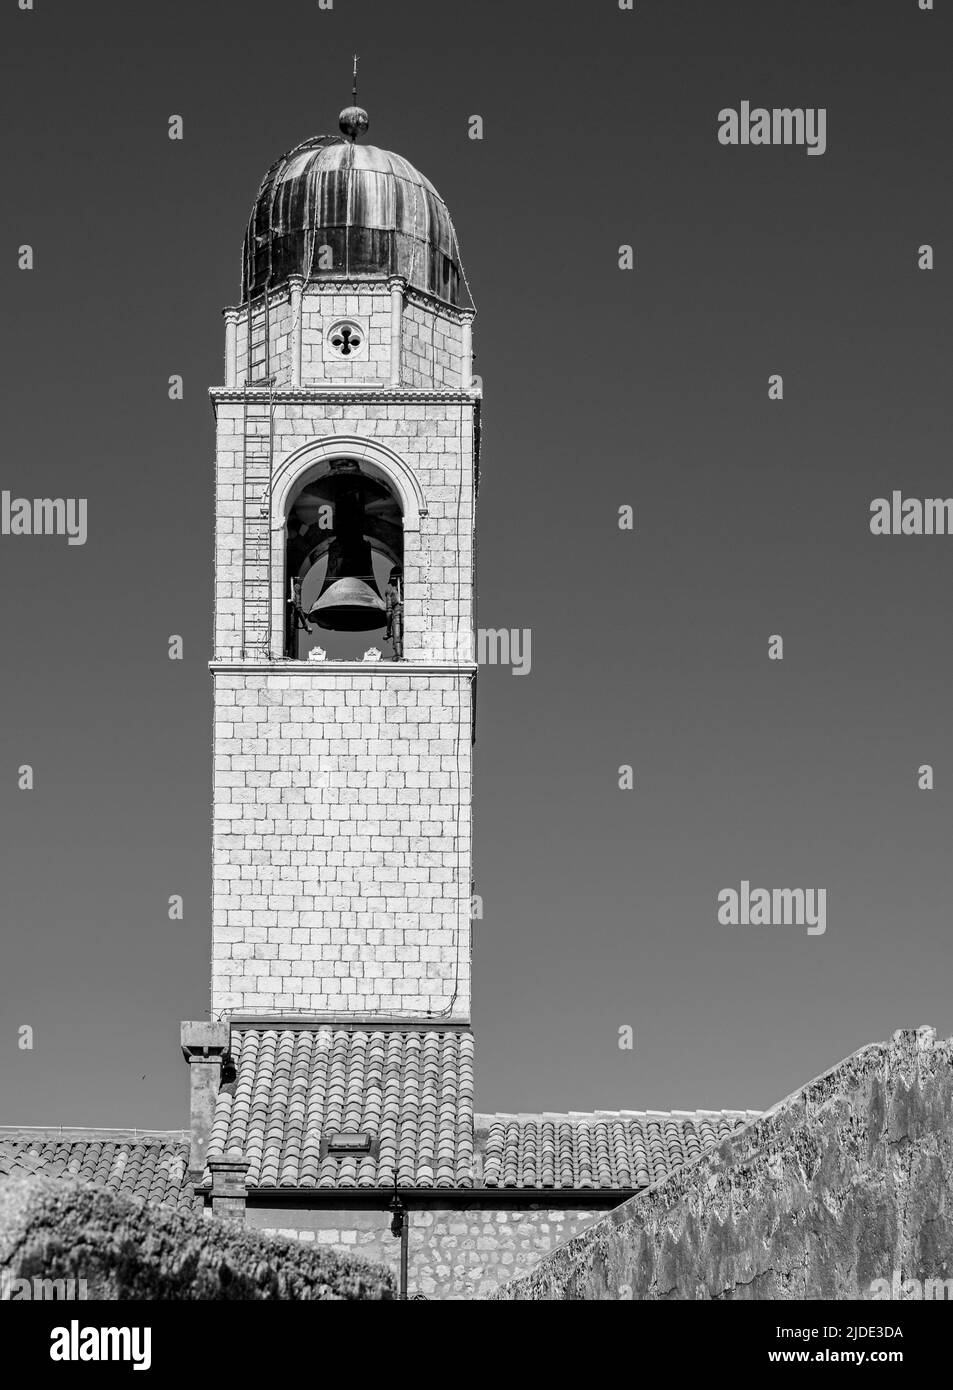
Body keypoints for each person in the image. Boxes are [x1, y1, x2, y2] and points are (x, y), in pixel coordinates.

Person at [384, 566, 404, 660]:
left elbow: (388, 611)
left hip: (396, 615)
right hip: (405, 615)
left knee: (397, 638)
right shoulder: (407, 588)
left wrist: (388, 630)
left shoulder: (389, 590)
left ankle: (399, 656)